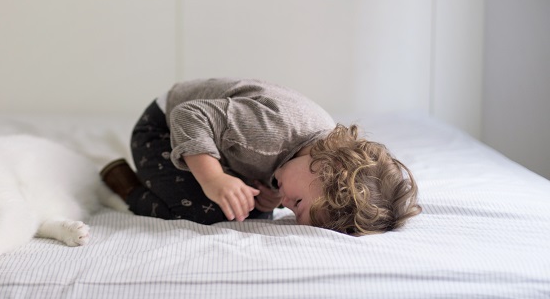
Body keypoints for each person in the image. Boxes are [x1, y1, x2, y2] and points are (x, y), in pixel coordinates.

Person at [100, 78, 421, 235]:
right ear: (326, 166)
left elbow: (266, 165)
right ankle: (124, 184)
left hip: (222, 143)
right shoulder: (268, 132)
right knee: (204, 212)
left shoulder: (310, 155)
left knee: (252, 212)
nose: (285, 204)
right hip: (164, 129)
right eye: (297, 204)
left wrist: (265, 190)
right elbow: (188, 115)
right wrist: (213, 179)